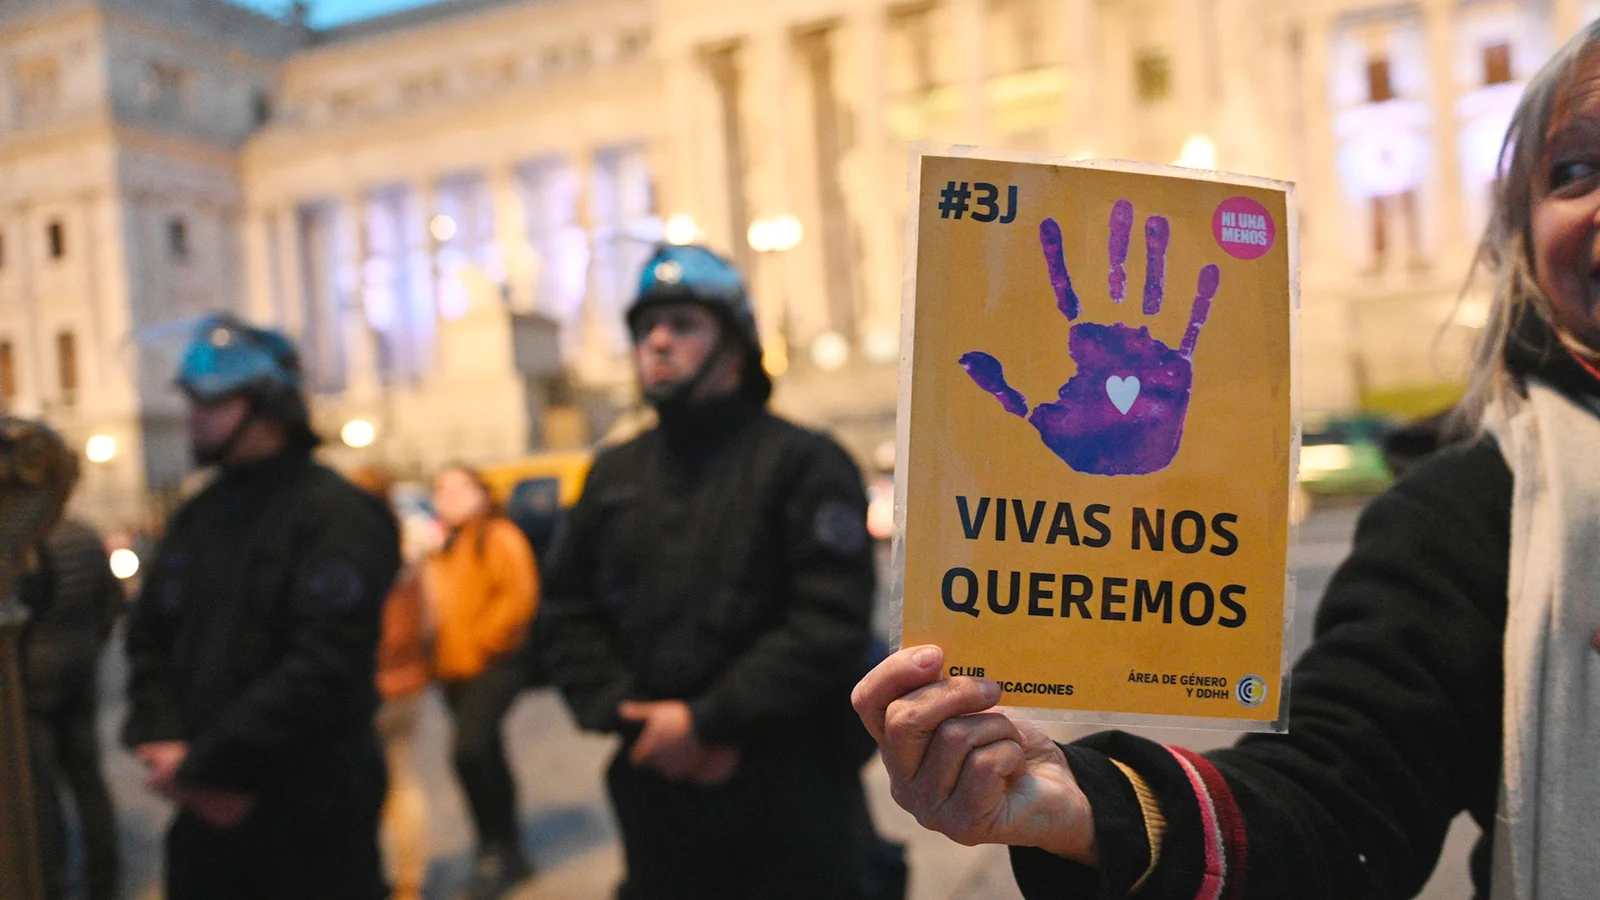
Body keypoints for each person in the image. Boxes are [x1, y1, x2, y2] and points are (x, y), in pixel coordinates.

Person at [853, 21, 1600, 900]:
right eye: (1574, 169)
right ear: (1518, 239)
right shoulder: (1473, 515)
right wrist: (1091, 808)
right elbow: (1340, 801)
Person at [541, 243, 902, 900]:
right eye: (646, 327)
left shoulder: (804, 463)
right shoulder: (613, 473)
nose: (657, 341)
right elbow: (567, 610)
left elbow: (828, 624)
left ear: (735, 347)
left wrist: (708, 722)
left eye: (683, 324)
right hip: (657, 785)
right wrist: (635, 720)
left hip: (793, 790)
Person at [121, 312, 400, 900]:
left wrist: (214, 766)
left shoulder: (335, 513)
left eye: (213, 402)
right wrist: (167, 740)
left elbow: (324, 665)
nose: (194, 415)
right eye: (193, 401)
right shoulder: (197, 515)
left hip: (308, 806)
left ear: (269, 409)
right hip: (205, 811)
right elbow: (148, 636)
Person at [424, 463, 539, 900]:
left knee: (470, 749)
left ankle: (498, 850)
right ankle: (503, 848)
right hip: (453, 670)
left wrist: (483, 642)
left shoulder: (498, 536)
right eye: (441, 489)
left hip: (492, 664)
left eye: (459, 488)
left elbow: (519, 597)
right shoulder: (445, 543)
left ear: (482, 493)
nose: (448, 497)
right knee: (484, 753)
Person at [20, 515, 124, 900]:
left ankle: (51, 879)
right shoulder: (83, 533)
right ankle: (103, 878)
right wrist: (90, 644)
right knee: (86, 775)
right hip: (79, 667)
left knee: (40, 787)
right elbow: (111, 599)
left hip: (31, 678)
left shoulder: (22, 533)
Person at [350, 466, 432, 900]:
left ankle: (370, 879)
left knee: (358, 791)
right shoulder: (405, 550)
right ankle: (409, 882)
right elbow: (428, 620)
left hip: (365, 686)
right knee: (402, 783)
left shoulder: (350, 551)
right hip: (407, 682)